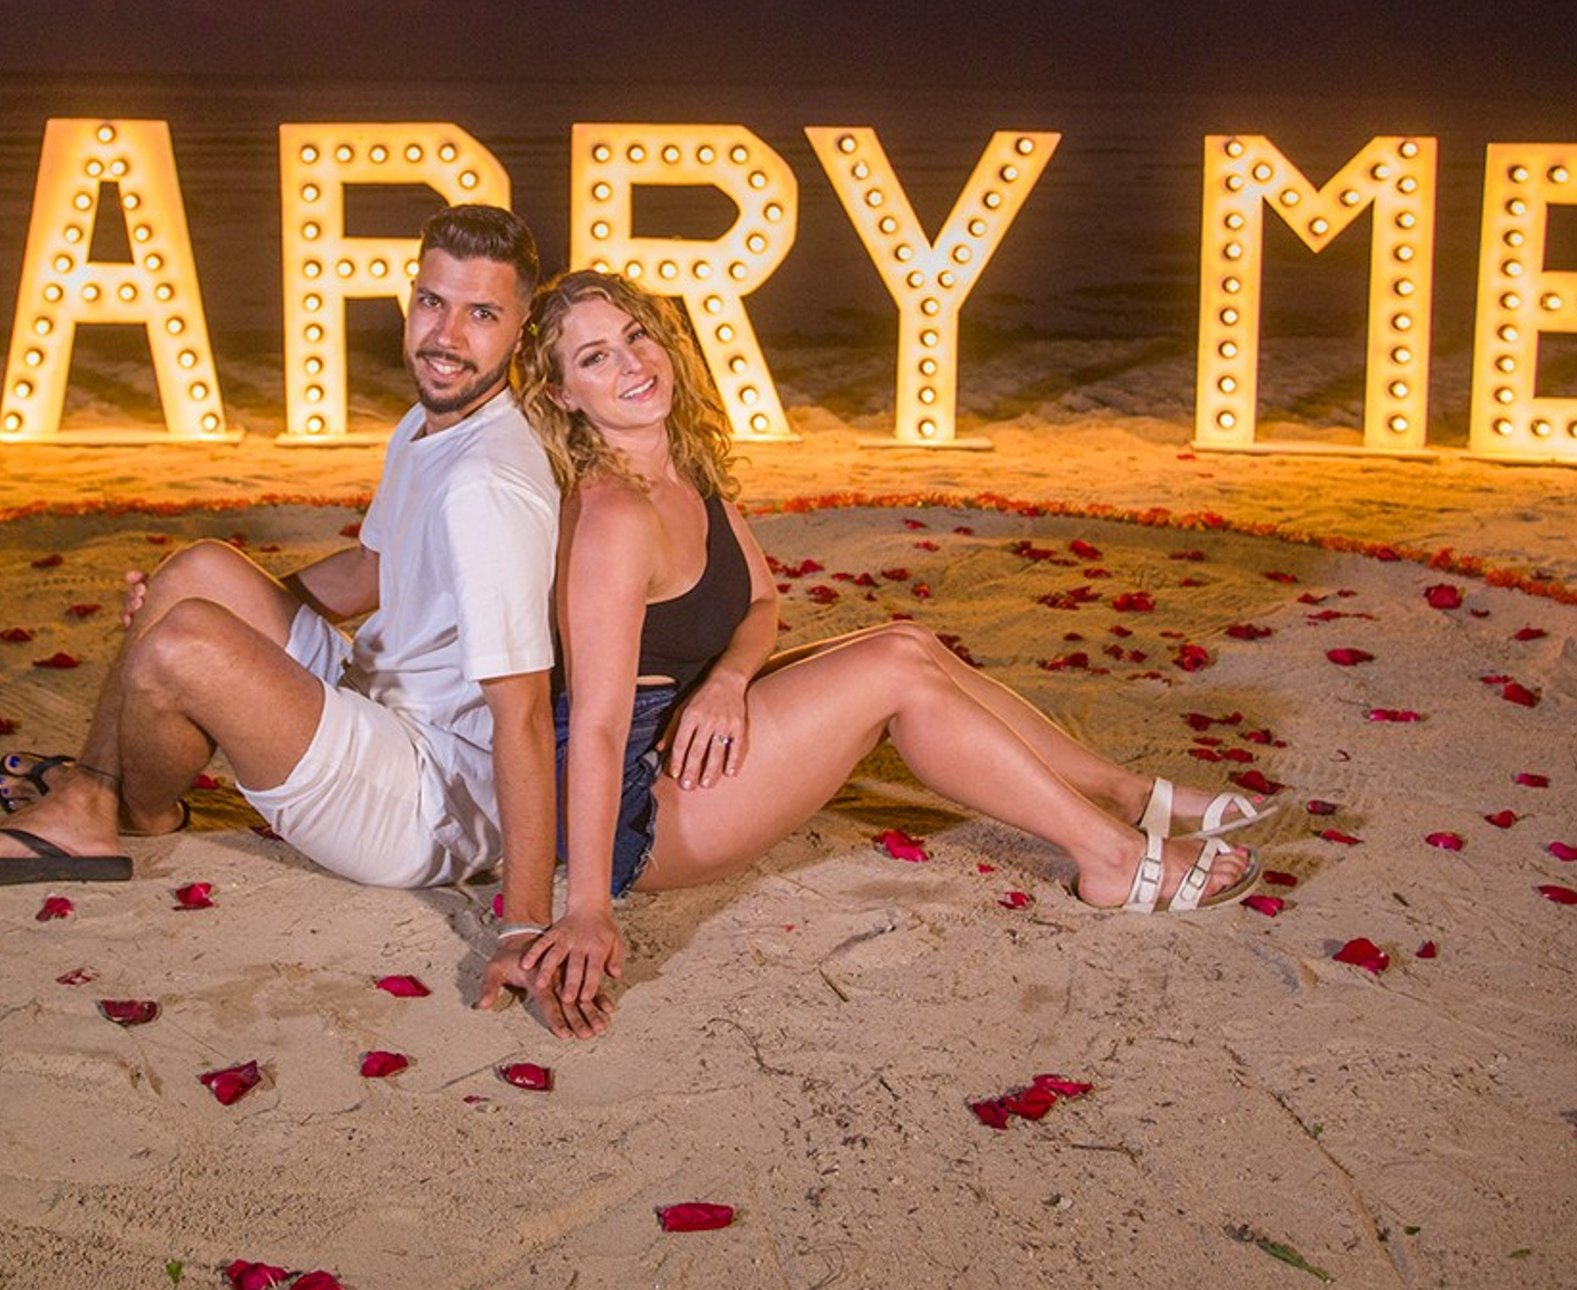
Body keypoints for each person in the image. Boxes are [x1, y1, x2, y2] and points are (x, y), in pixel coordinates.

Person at [510, 270, 1268, 1031]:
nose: (631, 365)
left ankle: (1127, 796)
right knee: (896, 668)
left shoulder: (680, 461)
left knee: (908, 641)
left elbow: (766, 601)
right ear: (562, 397)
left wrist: (730, 680)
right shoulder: (613, 514)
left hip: (694, 724)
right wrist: (585, 909)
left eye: (635, 337)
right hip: (641, 810)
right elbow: (600, 727)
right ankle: (1113, 860)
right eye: (595, 358)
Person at [0, 204, 583, 1027]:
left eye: (482, 314)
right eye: (433, 302)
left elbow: (522, 715)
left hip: (423, 801)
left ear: (520, 329)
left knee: (184, 646)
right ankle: (108, 800)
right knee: (195, 574)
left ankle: (111, 809)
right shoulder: (427, 423)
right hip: (377, 706)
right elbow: (373, 568)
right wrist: (219, 618)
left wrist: (521, 922)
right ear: (408, 300)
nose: (447, 335)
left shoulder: (489, 486)